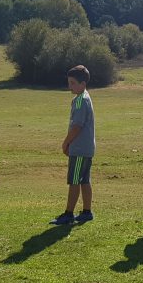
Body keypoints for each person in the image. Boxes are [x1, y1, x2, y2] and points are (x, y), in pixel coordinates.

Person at [49, 65, 95, 225]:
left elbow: (77, 126)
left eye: (73, 83)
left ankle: (69, 214)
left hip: (80, 149)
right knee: (84, 180)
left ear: (83, 84)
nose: (70, 86)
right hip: (86, 148)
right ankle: (87, 212)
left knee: (75, 180)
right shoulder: (82, 98)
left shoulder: (81, 100)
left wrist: (65, 142)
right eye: (69, 82)